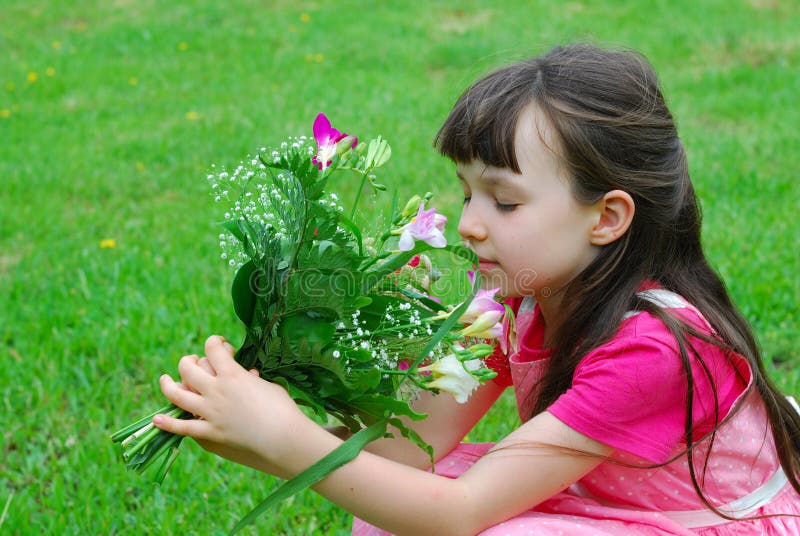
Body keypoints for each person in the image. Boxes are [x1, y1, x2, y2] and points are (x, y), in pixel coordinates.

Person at [152, 44, 800, 535]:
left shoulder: (656, 352)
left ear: (607, 218)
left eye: (505, 201)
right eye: (466, 192)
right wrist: (263, 431)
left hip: (706, 522)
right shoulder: (512, 306)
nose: (467, 224)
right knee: (388, 510)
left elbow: (461, 513)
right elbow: (407, 448)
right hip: (609, 502)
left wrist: (288, 441)